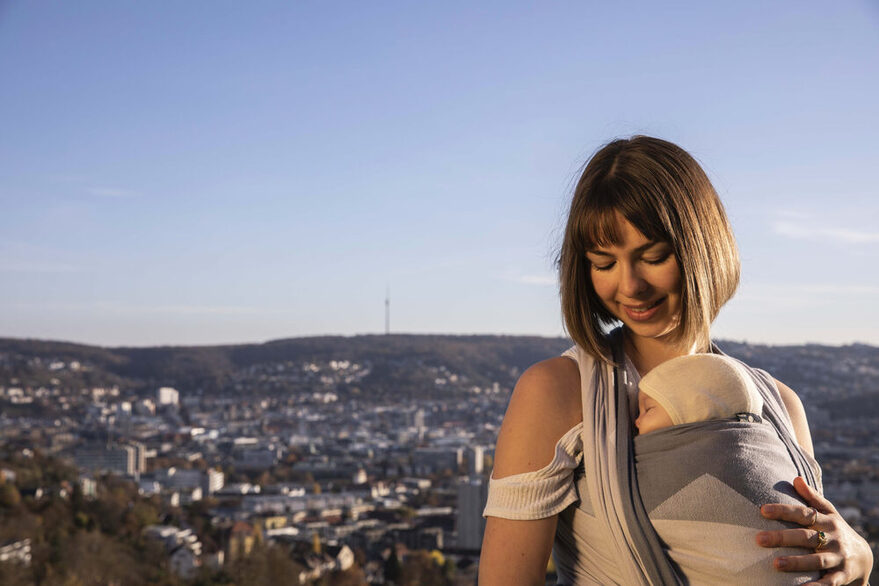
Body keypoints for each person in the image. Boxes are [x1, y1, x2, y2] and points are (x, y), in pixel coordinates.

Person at [478, 136, 873, 585]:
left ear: (703, 248)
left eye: (653, 256)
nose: (630, 286)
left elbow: (809, 556)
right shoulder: (558, 392)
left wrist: (858, 559)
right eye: (604, 263)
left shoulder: (782, 404)